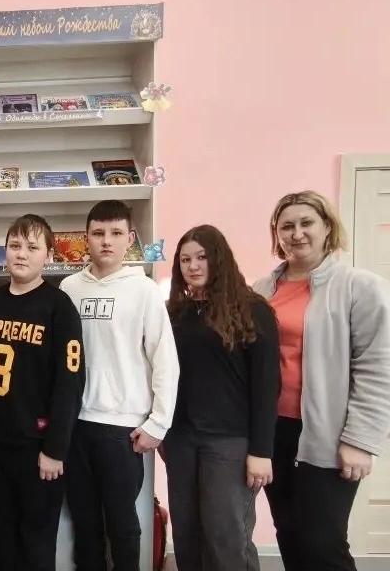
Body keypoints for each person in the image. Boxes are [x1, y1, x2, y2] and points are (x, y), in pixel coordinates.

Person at [253, 191, 390, 570]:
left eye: (306, 223)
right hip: (272, 432)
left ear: (327, 227)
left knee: (323, 543)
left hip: (328, 435)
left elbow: (377, 368)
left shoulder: (359, 287)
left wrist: (360, 440)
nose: (297, 233)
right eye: (287, 226)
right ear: (277, 234)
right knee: (289, 532)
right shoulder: (261, 291)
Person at [59, 200, 179, 571]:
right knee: (84, 523)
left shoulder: (143, 290)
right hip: (76, 425)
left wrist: (158, 423)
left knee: (122, 524)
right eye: (98, 233)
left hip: (122, 430)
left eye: (115, 233)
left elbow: (165, 360)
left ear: (130, 238)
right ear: (86, 238)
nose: (106, 241)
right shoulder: (68, 287)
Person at [165, 224, 280, 571]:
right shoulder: (175, 313)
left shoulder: (252, 309)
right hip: (181, 438)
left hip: (230, 442)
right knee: (186, 533)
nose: (193, 266)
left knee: (225, 536)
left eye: (201, 257)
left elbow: (267, 385)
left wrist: (261, 452)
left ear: (219, 259)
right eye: (185, 259)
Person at [0, 214, 85, 570]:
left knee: (36, 542)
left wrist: (55, 448)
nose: (21, 254)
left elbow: (70, 382)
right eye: (15, 245)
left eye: (32, 247)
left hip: (36, 447)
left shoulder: (59, 307)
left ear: (48, 255)